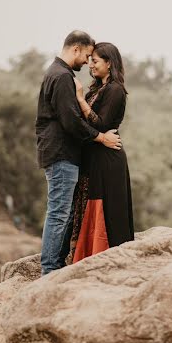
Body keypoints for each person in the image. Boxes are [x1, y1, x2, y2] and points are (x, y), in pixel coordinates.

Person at [36, 30, 122, 276]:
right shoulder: (63, 76)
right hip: (61, 153)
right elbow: (70, 121)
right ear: (75, 49)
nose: (86, 62)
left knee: (63, 212)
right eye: (86, 56)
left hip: (60, 153)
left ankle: (55, 263)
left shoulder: (57, 73)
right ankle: (50, 269)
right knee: (59, 213)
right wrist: (100, 137)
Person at [67, 42, 134, 264]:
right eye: (90, 61)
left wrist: (79, 99)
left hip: (108, 158)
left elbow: (102, 124)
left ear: (109, 63)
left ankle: (104, 257)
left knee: (105, 208)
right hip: (95, 156)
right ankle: (84, 257)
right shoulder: (98, 89)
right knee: (86, 204)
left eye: (95, 61)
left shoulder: (115, 89)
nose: (90, 65)